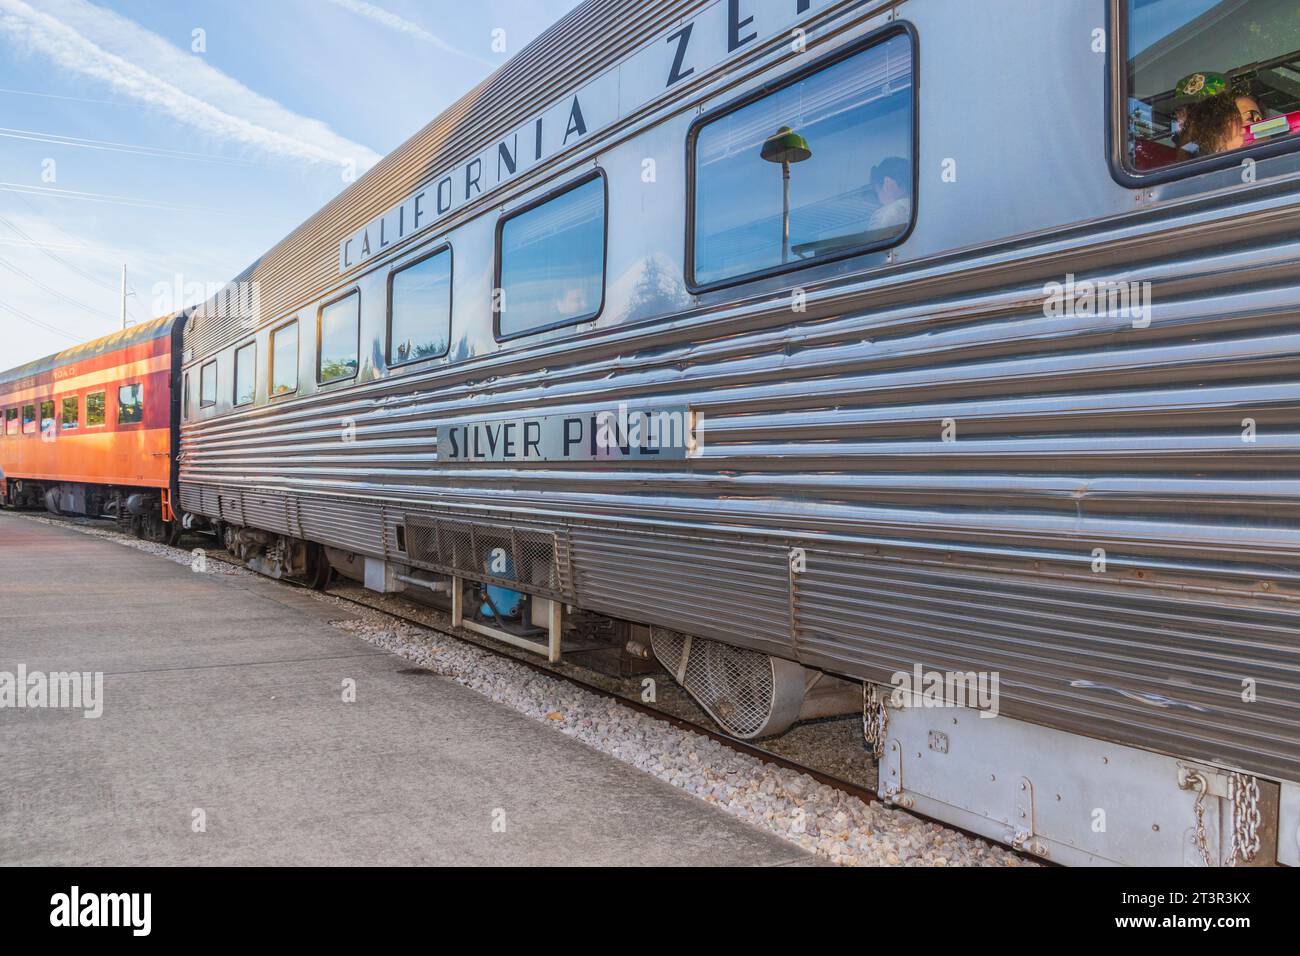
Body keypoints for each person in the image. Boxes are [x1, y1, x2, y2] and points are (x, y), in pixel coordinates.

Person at [868, 157, 911, 232]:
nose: (879, 202)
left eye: (877, 193)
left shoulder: (884, 216)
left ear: (888, 184)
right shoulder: (920, 209)